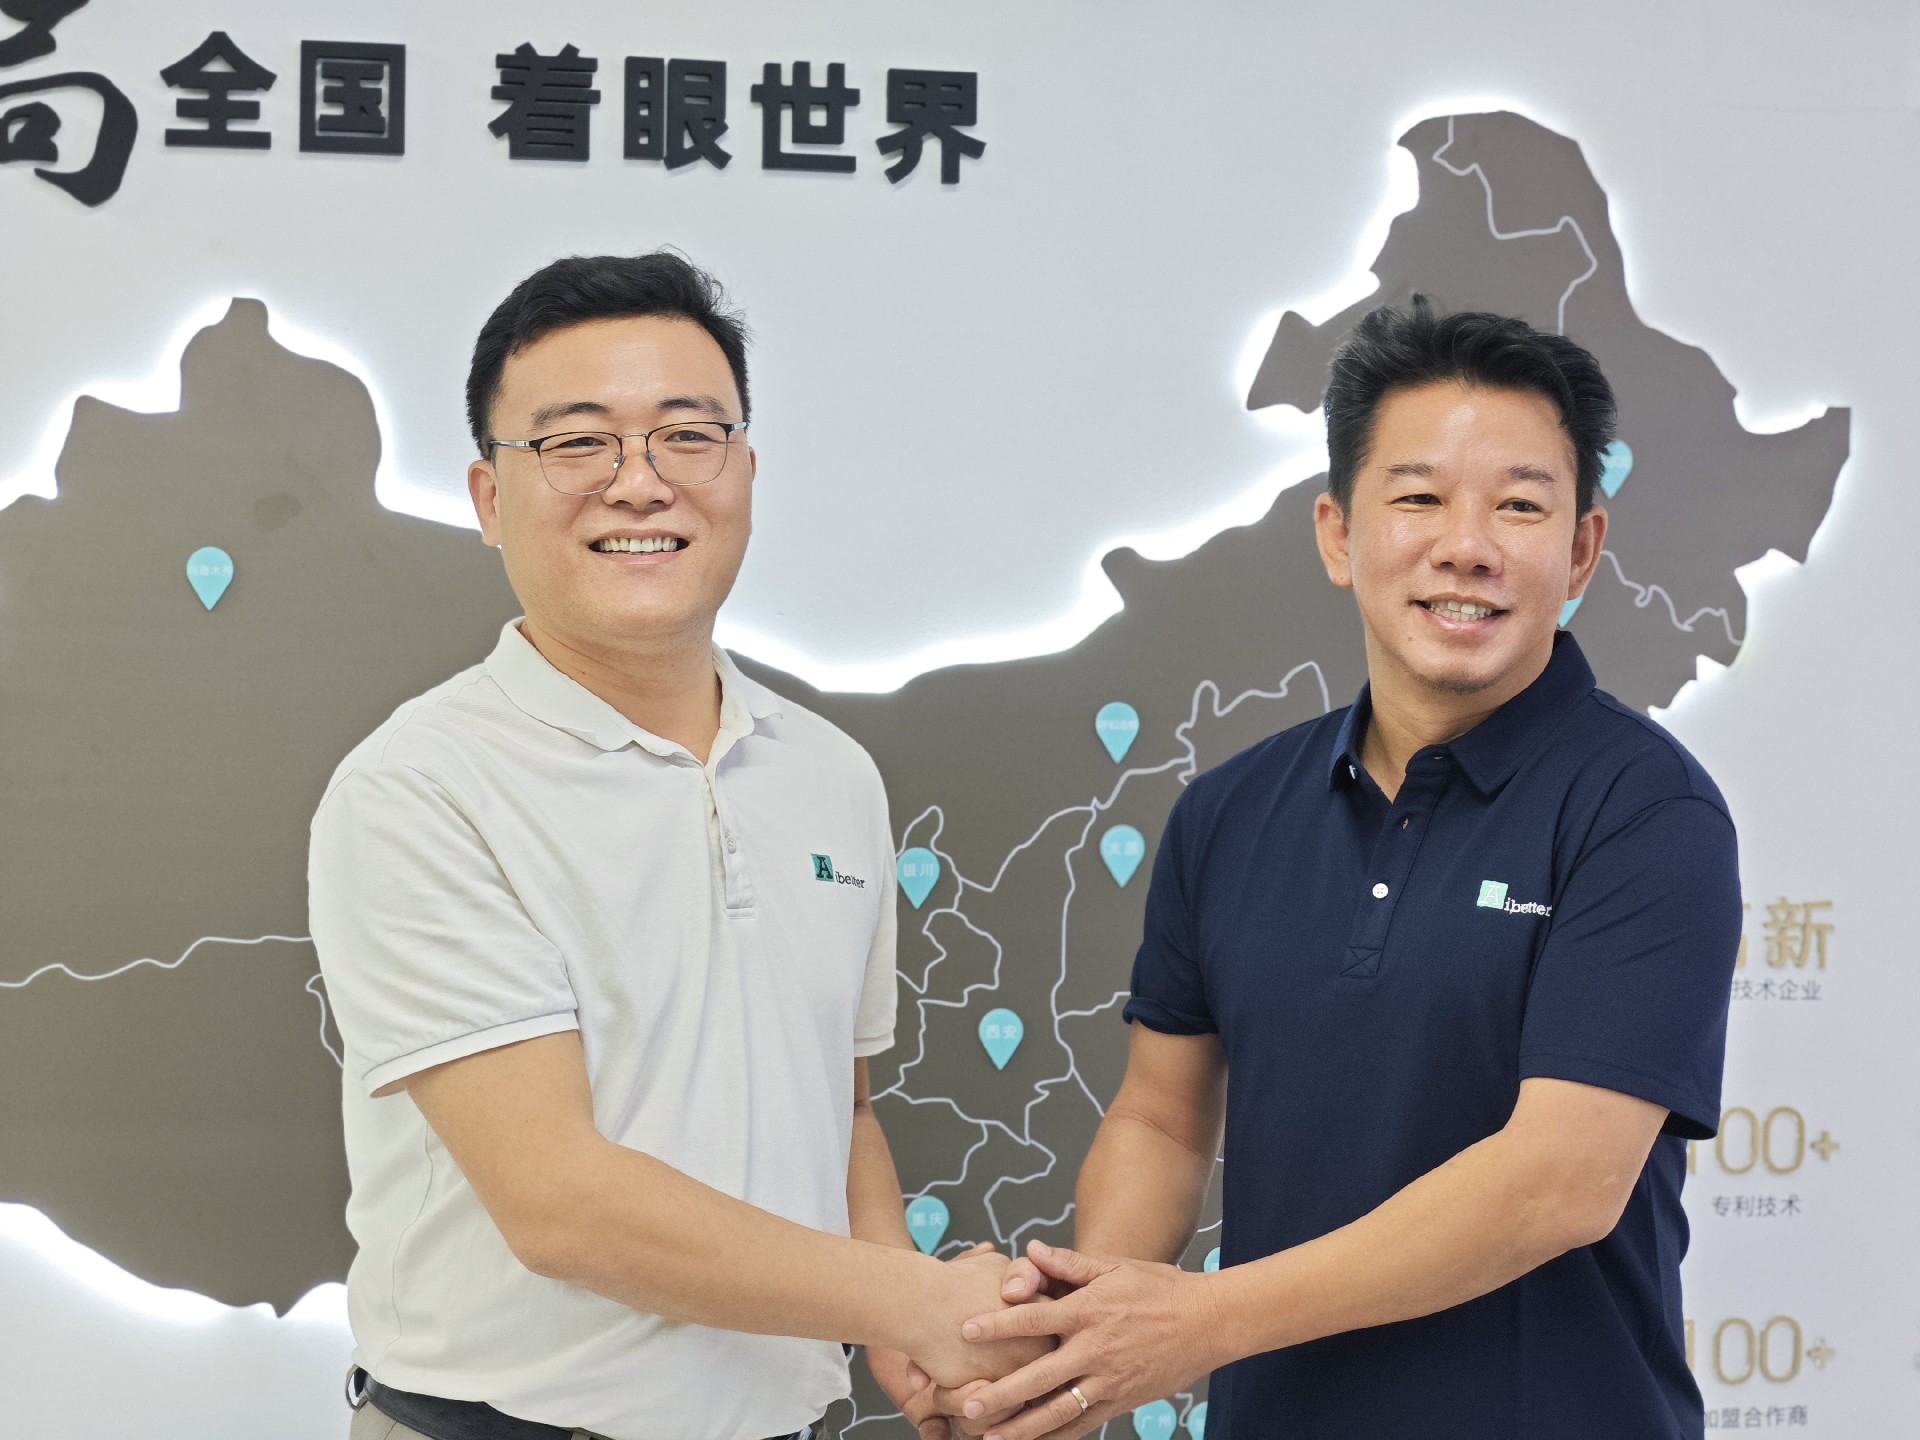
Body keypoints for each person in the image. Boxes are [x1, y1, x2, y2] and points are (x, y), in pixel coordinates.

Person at [940, 300, 1742, 1439]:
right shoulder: (1229, 811)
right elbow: (1162, 1121)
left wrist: (1200, 1321)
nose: (1466, 546)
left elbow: (1558, 1182)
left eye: (1520, 505)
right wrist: (1079, 1338)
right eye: (1418, 498)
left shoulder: (1645, 811)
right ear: (1336, 534)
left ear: (1580, 552)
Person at [309, 251, 1038, 1440]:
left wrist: (909, 1328)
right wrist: (918, 1297)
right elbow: (561, 1206)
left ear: (743, 473)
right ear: (490, 498)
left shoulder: (831, 774)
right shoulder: (420, 787)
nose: (639, 484)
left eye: (687, 436)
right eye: (578, 443)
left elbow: (842, 1111)